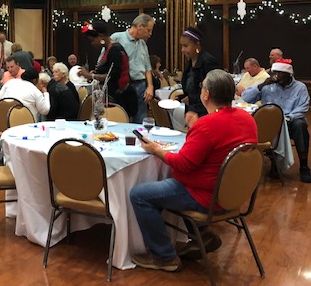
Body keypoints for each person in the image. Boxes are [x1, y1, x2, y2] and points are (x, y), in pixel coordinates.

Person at [130, 70, 258, 272]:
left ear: (206, 94)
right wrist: (196, 129)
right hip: (235, 195)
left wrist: (156, 149)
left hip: (205, 196)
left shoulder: (207, 125)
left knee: (139, 195)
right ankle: (203, 234)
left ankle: (164, 256)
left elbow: (183, 163)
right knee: (171, 183)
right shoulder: (247, 119)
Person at [242, 59, 310, 183]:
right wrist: (261, 86)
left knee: (300, 125)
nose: (276, 77)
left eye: (279, 74)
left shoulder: (300, 88)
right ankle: (274, 163)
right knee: (263, 125)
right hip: (271, 122)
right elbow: (246, 98)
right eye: (274, 73)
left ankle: (304, 166)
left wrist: (286, 118)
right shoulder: (268, 86)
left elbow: (303, 108)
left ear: (289, 75)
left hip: (291, 120)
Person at [79, 21, 137, 119]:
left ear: (101, 36)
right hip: (112, 96)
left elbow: (113, 76)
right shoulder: (108, 49)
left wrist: (90, 75)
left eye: (93, 40)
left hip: (120, 98)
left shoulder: (115, 50)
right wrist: (96, 72)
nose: (92, 44)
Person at [111, 14, 155, 123]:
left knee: (141, 119)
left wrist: (150, 86)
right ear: (140, 26)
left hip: (141, 86)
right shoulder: (117, 38)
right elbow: (105, 60)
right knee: (121, 119)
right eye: (148, 30)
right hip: (123, 86)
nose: (150, 34)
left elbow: (147, 67)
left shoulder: (143, 44)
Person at [180, 27, 219, 128]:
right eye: (182, 46)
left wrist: (192, 98)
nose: (183, 50)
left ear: (197, 45)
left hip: (206, 112)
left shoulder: (208, 62)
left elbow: (214, 90)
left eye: (185, 46)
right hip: (192, 111)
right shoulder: (190, 63)